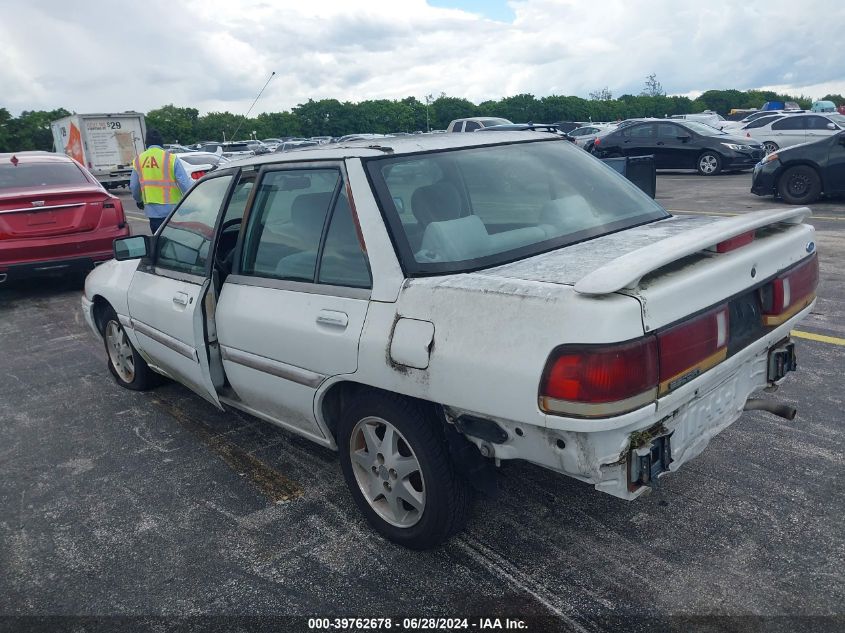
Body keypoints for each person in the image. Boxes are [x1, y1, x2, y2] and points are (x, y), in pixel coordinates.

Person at [130, 129, 193, 233]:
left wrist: (139, 201)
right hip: (173, 212)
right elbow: (185, 184)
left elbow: (134, 186)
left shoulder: (138, 160)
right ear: (161, 143)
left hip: (153, 213)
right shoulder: (171, 158)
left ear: (146, 144)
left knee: (160, 244)